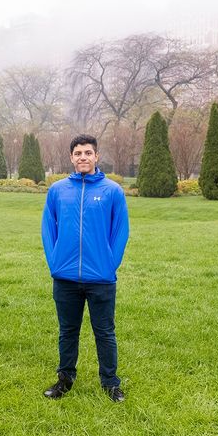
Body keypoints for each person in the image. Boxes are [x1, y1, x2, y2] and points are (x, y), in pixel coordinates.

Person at [41, 134, 129, 402]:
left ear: (96, 156)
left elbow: (120, 231)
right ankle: (65, 379)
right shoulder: (57, 191)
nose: (83, 157)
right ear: (71, 157)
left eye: (87, 153)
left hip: (101, 278)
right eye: (78, 153)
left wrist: (109, 264)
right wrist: (55, 261)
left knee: (104, 332)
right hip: (65, 277)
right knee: (68, 332)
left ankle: (111, 383)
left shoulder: (112, 191)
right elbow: (48, 229)